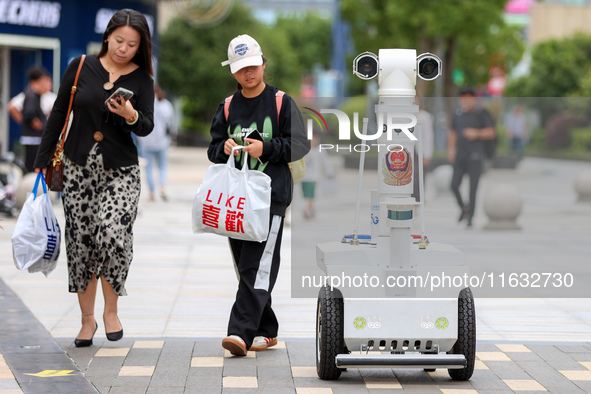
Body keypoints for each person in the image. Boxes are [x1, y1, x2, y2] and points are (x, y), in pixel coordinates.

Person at [34, 8, 154, 347]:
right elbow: (60, 112)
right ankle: (87, 320)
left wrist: (130, 115)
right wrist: (43, 162)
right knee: (81, 241)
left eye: (132, 44)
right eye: (119, 41)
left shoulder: (142, 79)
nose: (124, 49)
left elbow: (146, 126)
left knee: (112, 231)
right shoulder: (80, 66)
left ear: (140, 46)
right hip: (77, 168)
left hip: (121, 170)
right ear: (107, 36)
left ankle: (111, 311)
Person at [208, 34, 310, 356]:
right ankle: (266, 329)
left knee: (257, 264)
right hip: (236, 199)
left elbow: (300, 145)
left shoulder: (281, 102)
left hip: (272, 198)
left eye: (253, 66)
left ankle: (240, 332)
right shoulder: (227, 107)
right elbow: (212, 149)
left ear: (263, 64)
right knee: (246, 266)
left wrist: (264, 148)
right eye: (241, 69)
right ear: (232, 72)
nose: (248, 74)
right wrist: (222, 147)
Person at [448, 87, 496, 227]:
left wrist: (476, 133)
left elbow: (491, 132)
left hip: (475, 155)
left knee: (473, 188)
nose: (466, 101)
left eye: (469, 98)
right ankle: (464, 207)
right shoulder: (457, 114)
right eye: (463, 98)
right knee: (454, 185)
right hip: (460, 155)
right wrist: (451, 150)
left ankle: (470, 217)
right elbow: (453, 132)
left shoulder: (482, 114)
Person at [139, 84, 176, 201]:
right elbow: (170, 123)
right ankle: (162, 186)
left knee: (148, 167)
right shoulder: (166, 105)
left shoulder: (144, 104)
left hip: (146, 140)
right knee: (162, 166)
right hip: (162, 141)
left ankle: (151, 192)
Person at [14, 66, 54, 172]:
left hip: (33, 138)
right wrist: (40, 126)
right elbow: (29, 114)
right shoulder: (31, 95)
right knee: (32, 167)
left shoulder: (35, 95)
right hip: (33, 139)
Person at [301, 133, 334, 219]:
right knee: (306, 194)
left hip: (314, 177)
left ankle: (309, 210)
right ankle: (310, 209)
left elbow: (326, 162)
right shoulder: (303, 149)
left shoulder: (320, 150)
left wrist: (330, 172)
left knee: (310, 195)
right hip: (304, 176)